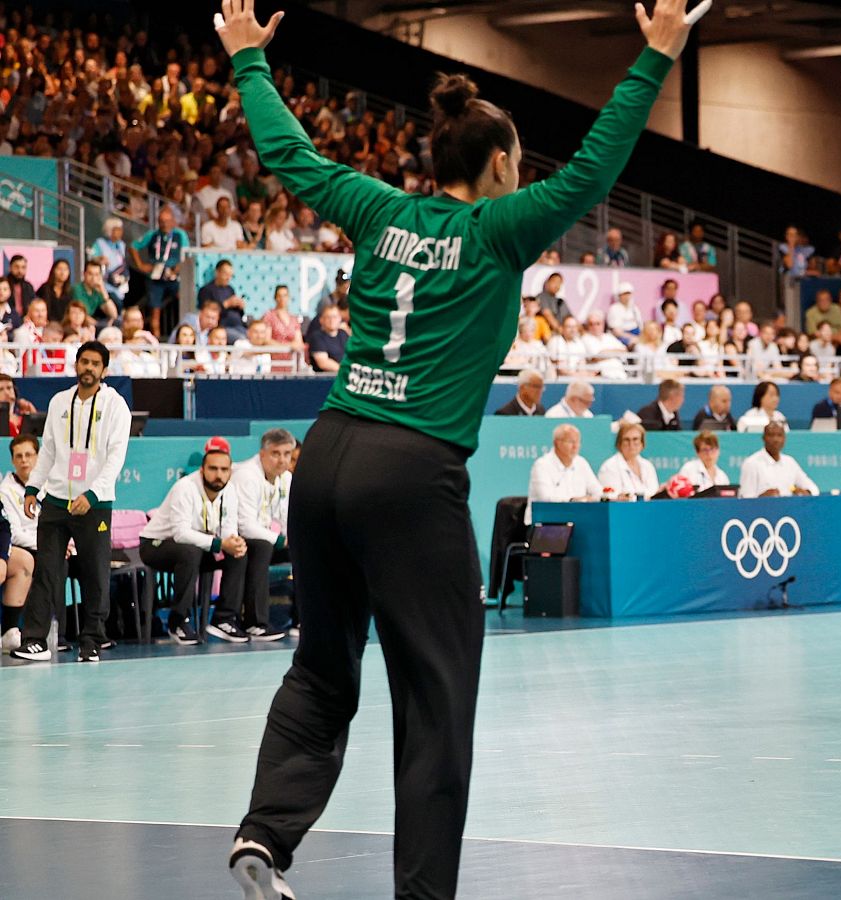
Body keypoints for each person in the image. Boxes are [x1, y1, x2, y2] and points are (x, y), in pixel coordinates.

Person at [216, 0, 704, 895]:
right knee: (437, 697)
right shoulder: (498, 231)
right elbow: (597, 167)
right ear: (500, 165)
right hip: (410, 473)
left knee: (323, 667)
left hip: (326, 456)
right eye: (519, 163)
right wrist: (656, 55)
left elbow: (289, 157)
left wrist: (249, 58)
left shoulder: (375, 208)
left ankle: (264, 834)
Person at [10, 342, 132, 665]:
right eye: (83, 362)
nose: (88, 368)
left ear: (104, 371)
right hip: (56, 501)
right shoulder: (59, 402)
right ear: (76, 365)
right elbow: (47, 450)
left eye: (95, 364)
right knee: (46, 570)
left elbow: (116, 458)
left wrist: (92, 495)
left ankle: (92, 640)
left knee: (95, 572)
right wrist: (34, 487)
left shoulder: (116, 406)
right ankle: (35, 640)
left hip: (95, 504)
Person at [139, 443, 251, 644]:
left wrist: (234, 542)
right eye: (213, 468)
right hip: (156, 545)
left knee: (237, 553)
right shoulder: (185, 487)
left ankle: (224, 619)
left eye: (224, 470)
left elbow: (228, 529)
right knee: (190, 552)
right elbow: (180, 534)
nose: (219, 474)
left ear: (230, 472)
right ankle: (178, 622)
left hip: (198, 547)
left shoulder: (230, 491)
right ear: (202, 470)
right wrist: (220, 544)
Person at [231, 428, 294, 640]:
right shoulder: (247, 476)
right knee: (262, 546)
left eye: (287, 454)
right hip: (236, 538)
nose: (282, 460)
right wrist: (280, 540)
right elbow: (246, 525)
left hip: (263, 537)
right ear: (262, 454)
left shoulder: (286, 478)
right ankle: (255, 623)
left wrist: (291, 538)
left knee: (306, 552)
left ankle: (302, 620)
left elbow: (285, 516)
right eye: (276, 453)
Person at [0, 433, 39, 653]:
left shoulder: (48, 486)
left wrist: (2, 557)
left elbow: (3, 527)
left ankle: (9, 631)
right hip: (28, 542)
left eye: (29, 455)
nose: (24, 460)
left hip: (14, 549)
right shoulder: (6, 490)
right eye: (19, 456)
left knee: (26, 561)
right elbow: (15, 531)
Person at [130, 206, 189, 334]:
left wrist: (178, 267)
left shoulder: (180, 235)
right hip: (155, 276)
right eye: (162, 221)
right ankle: (156, 345)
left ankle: (186, 336)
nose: (164, 224)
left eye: (167, 221)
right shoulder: (152, 234)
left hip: (174, 276)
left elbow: (186, 254)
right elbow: (133, 246)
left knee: (185, 303)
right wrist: (140, 265)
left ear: (173, 221)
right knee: (155, 310)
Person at [527, 424, 603, 511]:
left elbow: (598, 491)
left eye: (577, 442)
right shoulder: (542, 465)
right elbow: (545, 498)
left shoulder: (581, 462)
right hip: (547, 519)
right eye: (571, 442)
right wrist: (572, 500)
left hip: (577, 516)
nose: (575, 446)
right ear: (556, 443)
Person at [738, 422, 819, 497]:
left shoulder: (789, 462)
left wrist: (806, 492)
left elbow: (814, 489)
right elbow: (745, 498)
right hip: (762, 511)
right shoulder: (752, 463)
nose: (775, 440)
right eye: (771, 435)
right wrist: (761, 498)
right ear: (763, 438)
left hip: (789, 510)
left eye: (779, 435)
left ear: (784, 439)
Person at [597, 422, 660, 499]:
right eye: (626, 440)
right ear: (619, 443)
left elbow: (653, 493)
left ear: (642, 443)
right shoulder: (609, 467)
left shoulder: (648, 465)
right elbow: (612, 498)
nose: (631, 444)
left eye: (635, 439)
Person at [91, 218, 131, 311]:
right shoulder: (99, 243)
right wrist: (99, 259)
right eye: (118, 229)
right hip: (105, 285)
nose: (121, 231)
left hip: (119, 284)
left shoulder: (121, 245)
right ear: (110, 230)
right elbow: (91, 257)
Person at [306, 304, 348, 372]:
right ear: (321, 320)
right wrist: (346, 371)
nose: (332, 320)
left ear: (340, 318)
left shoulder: (343, 334)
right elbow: (323, 363)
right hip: (325, 379)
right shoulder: (316, 337)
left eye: (334, 317)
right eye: (328, 317)